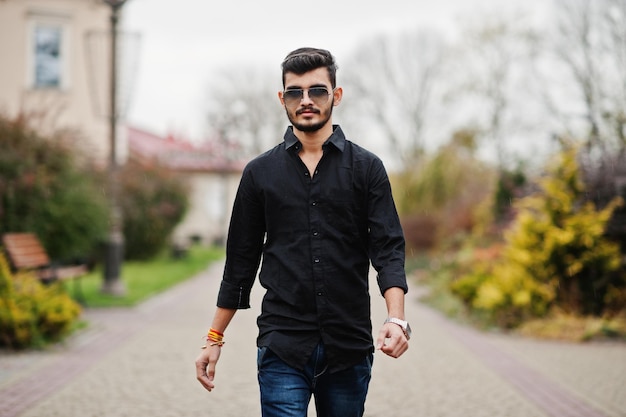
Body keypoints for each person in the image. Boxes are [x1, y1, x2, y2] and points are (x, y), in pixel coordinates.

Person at [195, 47, 410, 417]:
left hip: (349, 346)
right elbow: (240, 263)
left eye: (317, 90)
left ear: (336, 95)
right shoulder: (259, 174)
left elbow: (388, 248)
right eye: (295, 92)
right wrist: (214, 338)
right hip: (282, 345)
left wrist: (396, 318)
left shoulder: (367, 169)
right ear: (282, 99)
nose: (306, 100)